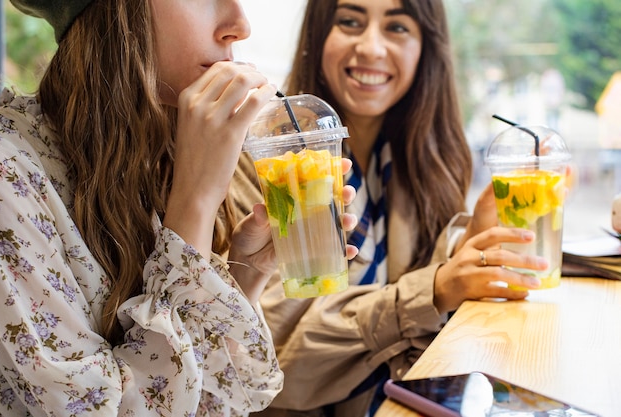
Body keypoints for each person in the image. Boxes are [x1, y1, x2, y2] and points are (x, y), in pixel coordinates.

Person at [0, 0, 358, 415]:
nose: (239, 26)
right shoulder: (5, 174)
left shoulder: (143, 152)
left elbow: (205, 398)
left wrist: (245, 273)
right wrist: (196, 201)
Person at [235, 0, 549, 415]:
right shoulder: (265, 162)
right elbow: (271, 350)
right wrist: (431, 292)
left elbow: (428, 300)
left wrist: (473, 238)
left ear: (426, 48)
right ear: (317, 35)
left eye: (397, 27)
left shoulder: (431, 158)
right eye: (350, 21)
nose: (371, 48)